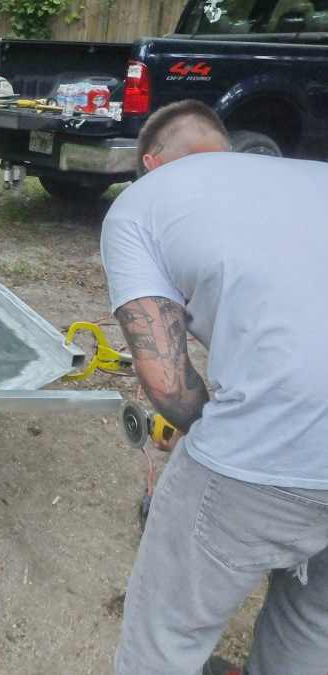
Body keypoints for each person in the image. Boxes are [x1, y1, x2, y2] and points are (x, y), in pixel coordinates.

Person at [101, 99, 328, 675]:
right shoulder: (310, 175)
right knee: (312, 627)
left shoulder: (142, 204)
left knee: (165, 641)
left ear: (151, 162)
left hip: (270, 447)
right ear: (224, 148)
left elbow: (166, 383)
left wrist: (198, 428)